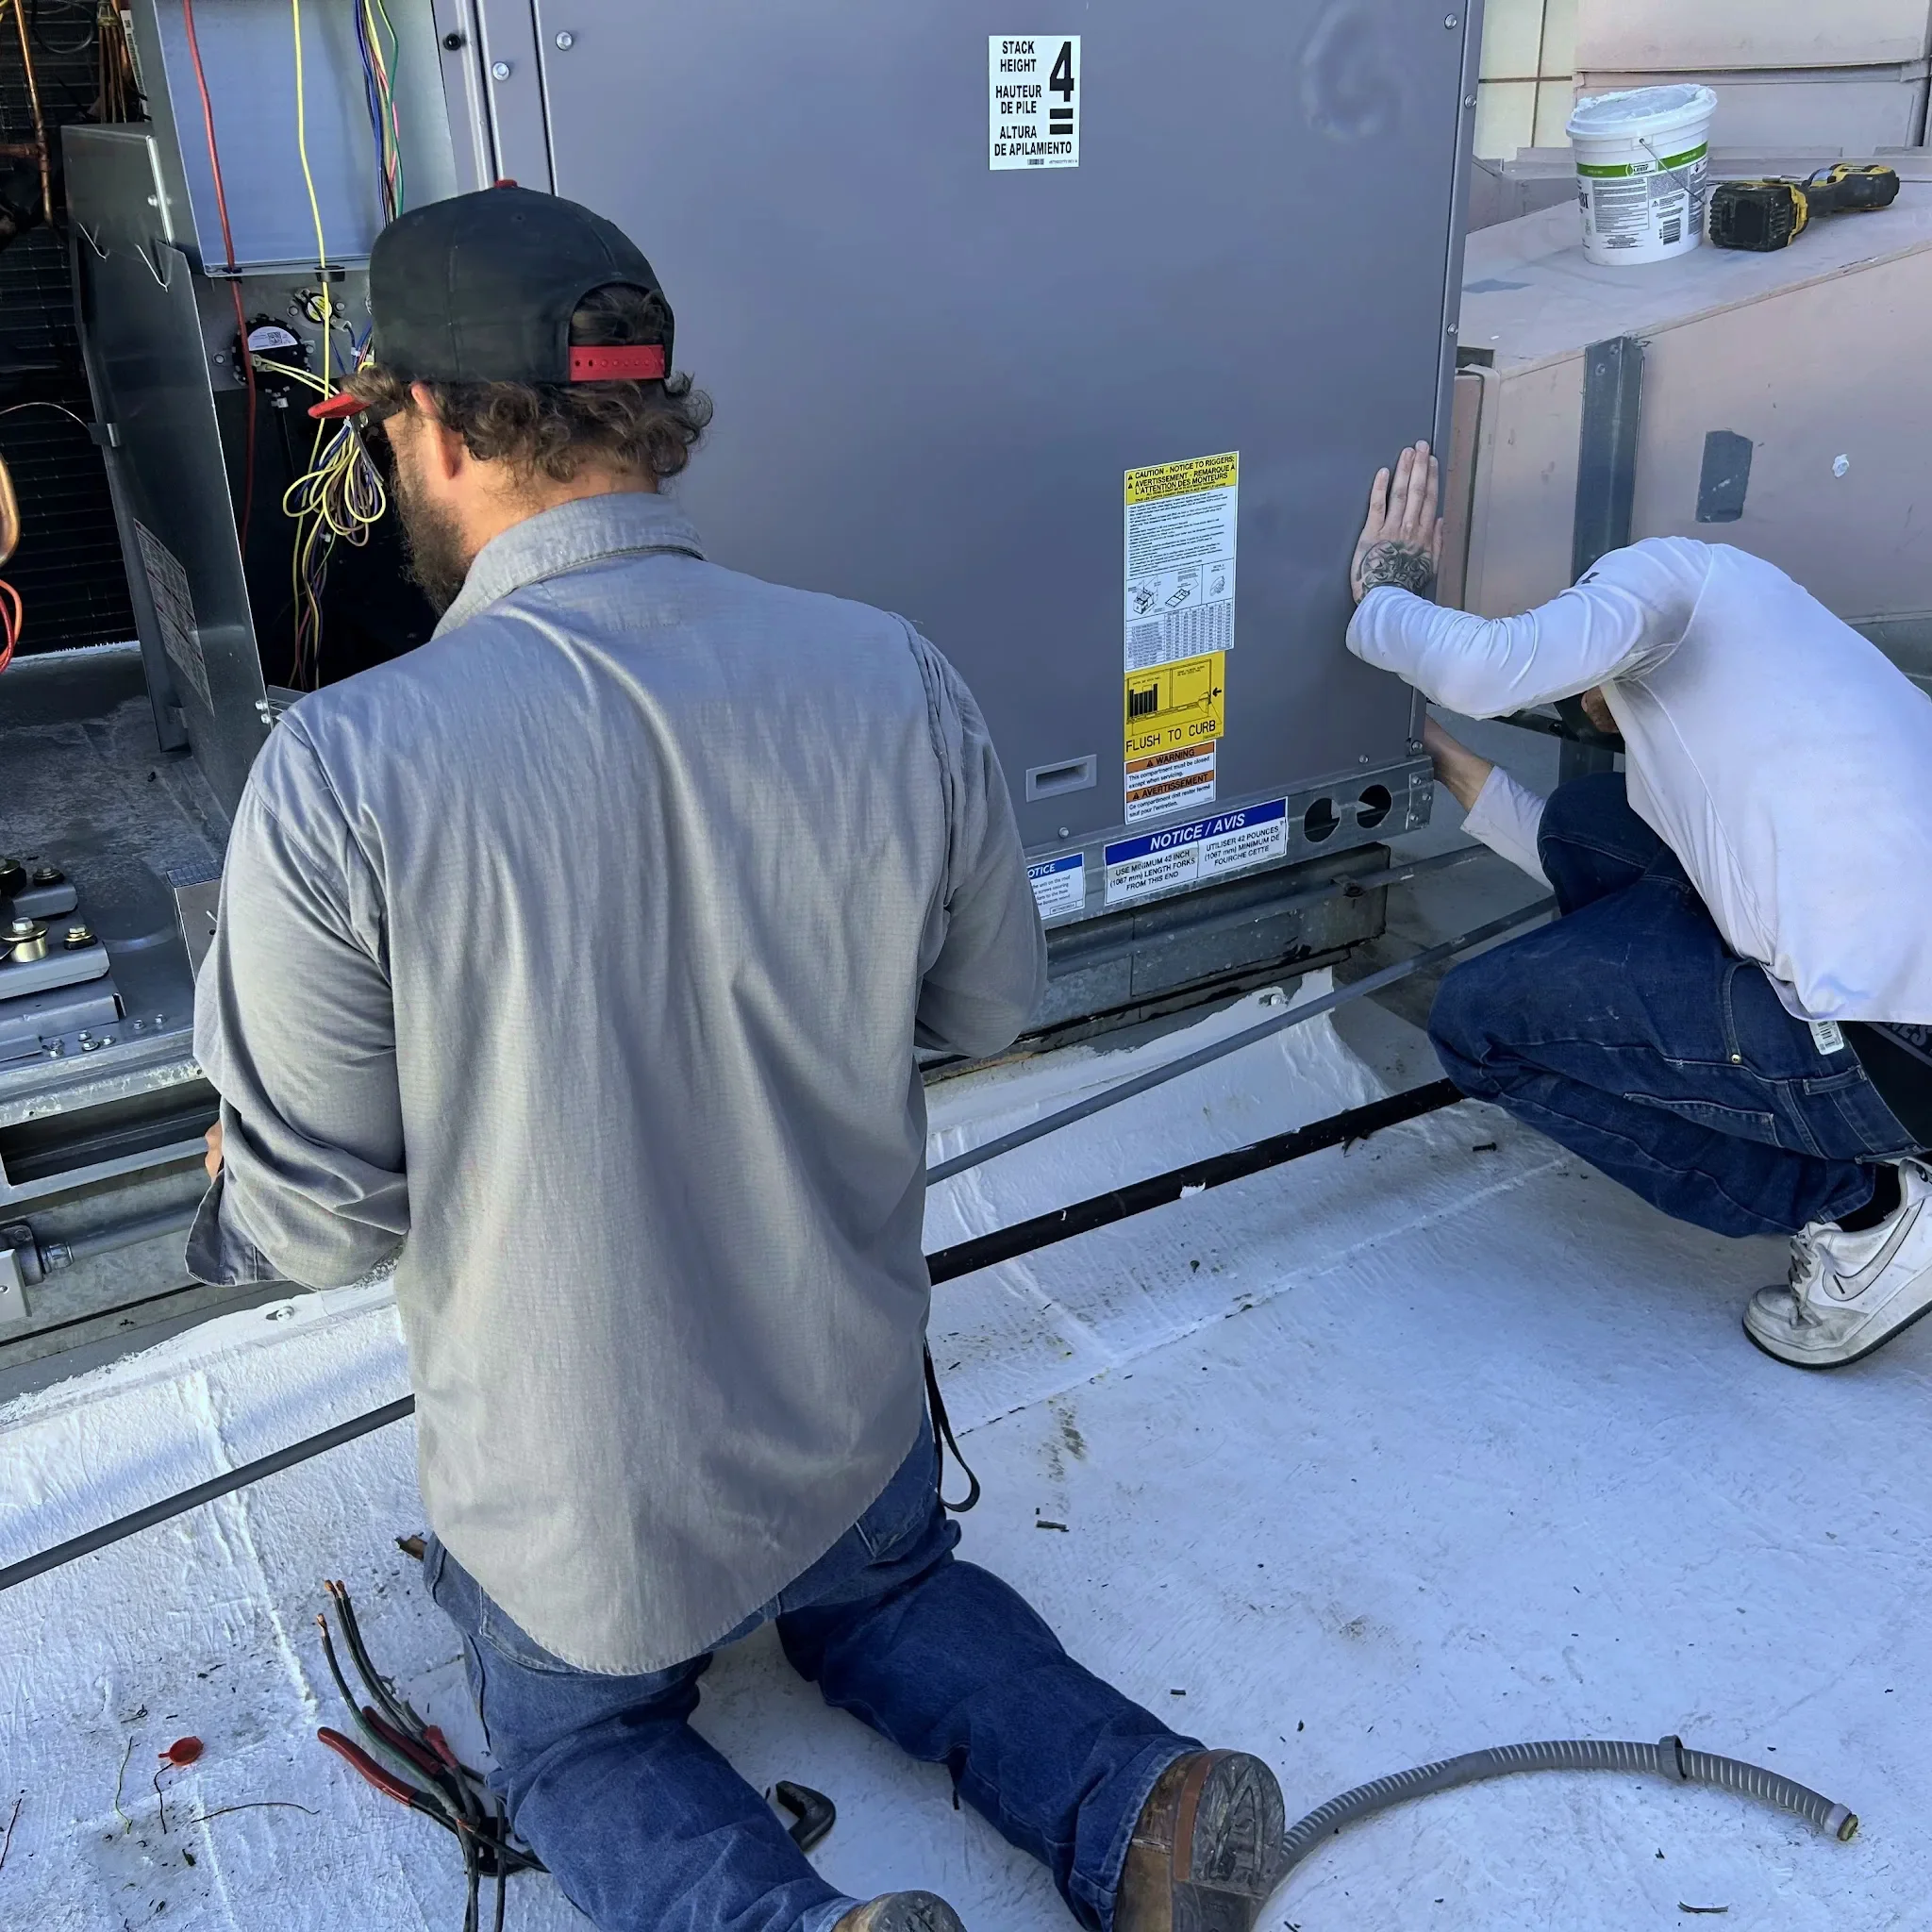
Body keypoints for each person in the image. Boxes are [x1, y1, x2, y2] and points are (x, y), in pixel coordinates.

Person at [189, 185, 1288, 1932]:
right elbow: (989, 1009)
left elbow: (318, 1226)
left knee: (578, 1746)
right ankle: (1143, 1804)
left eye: (386, 428)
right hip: (850, 1431)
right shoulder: (889, 672)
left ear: (441, 425)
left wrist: (238, 1189)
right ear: (645, 414)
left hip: (582, 1517)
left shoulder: (341, 772)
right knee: (889, 1594)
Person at [1342, 441, 1932, 1371]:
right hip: (1906, 1010)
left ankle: (1862, 1209)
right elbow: (1564, 838)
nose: (1577, 703)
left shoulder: (1664, 577)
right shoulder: (1772, 647)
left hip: (1889, 1053)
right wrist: (1434, 749)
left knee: (1477, 1023)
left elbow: (1485, 668)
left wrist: (1384, 592)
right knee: (1594, 821)